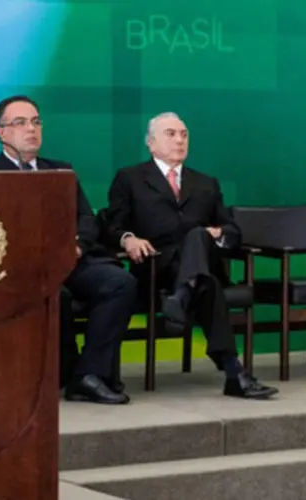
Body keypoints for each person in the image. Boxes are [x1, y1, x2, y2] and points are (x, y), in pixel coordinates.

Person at [0, 95, 137, 405]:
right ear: (1, 132)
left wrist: (76, 245)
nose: (30, 129)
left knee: (120, 283)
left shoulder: (60, 170)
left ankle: (88, 375)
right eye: (20, 123)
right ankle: (61, 372)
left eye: (35, 121)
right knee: (56, 295)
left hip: (69, 259)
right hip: (20, 269)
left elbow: (86, 218)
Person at [105, 111, 278, 399]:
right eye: (170, 134)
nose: (179, 140)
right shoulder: (130, 178)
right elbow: (111, 226)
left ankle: (183, 295)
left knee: (198, 235)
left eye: (184, 134)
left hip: (199, 258)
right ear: (151, 143)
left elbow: (233, 231)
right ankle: (234, 373)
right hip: (154, 264)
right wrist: (128, 239)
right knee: (207, 286)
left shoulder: (205, 182)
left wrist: (218, 233)